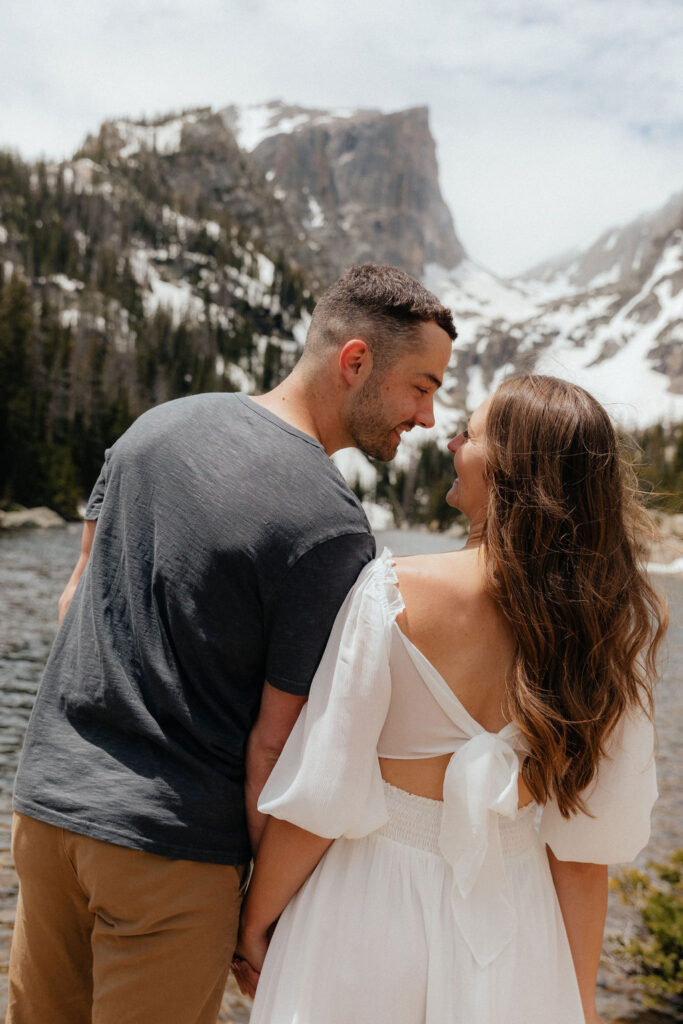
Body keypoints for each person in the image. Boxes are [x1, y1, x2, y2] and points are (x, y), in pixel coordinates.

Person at [6, 263, 456, 1024]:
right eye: (421, 385)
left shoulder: (156, 426)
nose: (428, 417)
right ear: (355, 362)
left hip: (45, 816)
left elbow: (75, 597)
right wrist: (258, 909)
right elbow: (272, 748)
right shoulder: (329, 526)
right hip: (169, 855)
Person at [234, 374, 668, 1024]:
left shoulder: (392, 592)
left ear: (508, 467)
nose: (451, 442)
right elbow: (582, 855)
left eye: (470, 432)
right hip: (514, 924)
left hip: (367, 904)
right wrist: (579, 1001)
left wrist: (253, 923)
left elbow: (322, 798)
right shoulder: (611, 628)